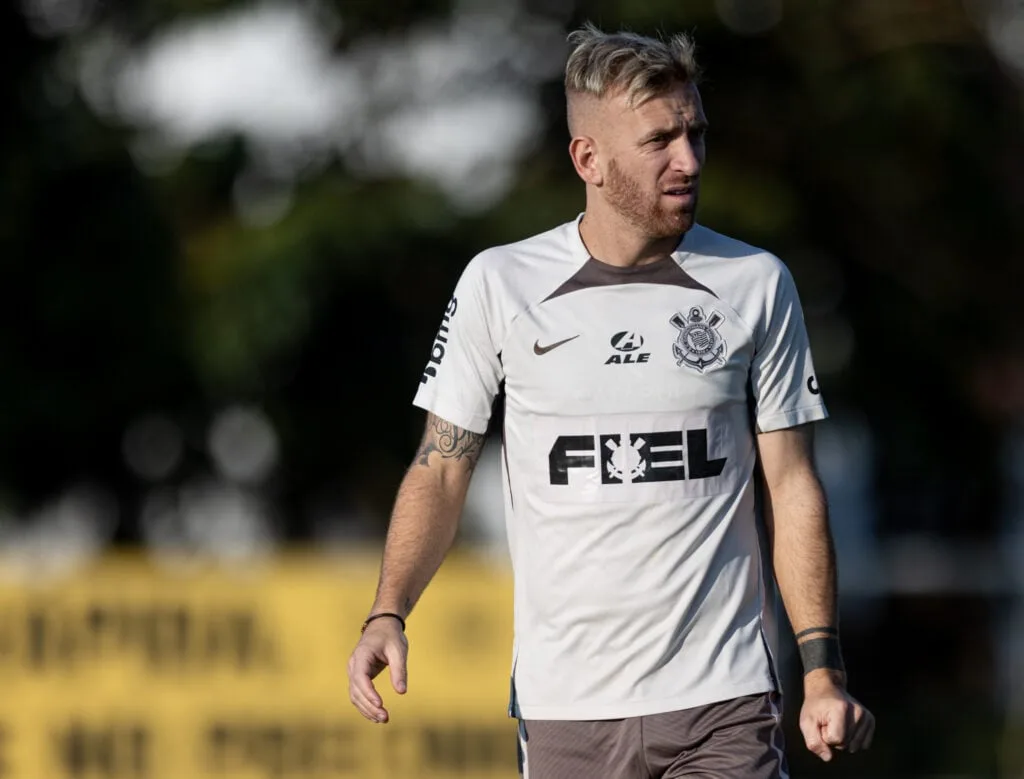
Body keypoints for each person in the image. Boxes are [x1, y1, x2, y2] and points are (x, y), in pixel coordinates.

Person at [347, 21, 875, 778]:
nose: (688, 160)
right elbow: (440, 466)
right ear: (587, 158)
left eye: (696, 132)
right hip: (567, 710)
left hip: (723, 700)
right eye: (660, 139)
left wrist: (823, 668)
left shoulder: (757, 283)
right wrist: (388, 610)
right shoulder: (501, 284)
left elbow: (792, 483)